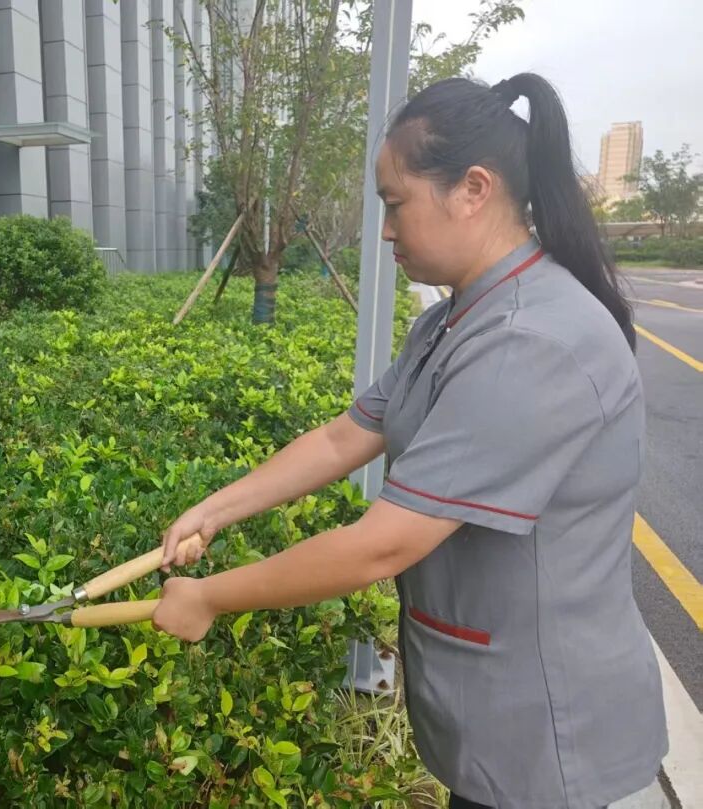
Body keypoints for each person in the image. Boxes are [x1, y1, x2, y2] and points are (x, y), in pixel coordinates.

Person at [151, 73, 668, 809]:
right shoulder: (452, 321)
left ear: (473, 189)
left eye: (395, 203)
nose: (387, 230)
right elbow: (343, 438)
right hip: (501, 723)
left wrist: (208, 597)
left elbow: (380, 546)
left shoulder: (532, 342)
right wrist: (215, 510)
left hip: (554, 737)